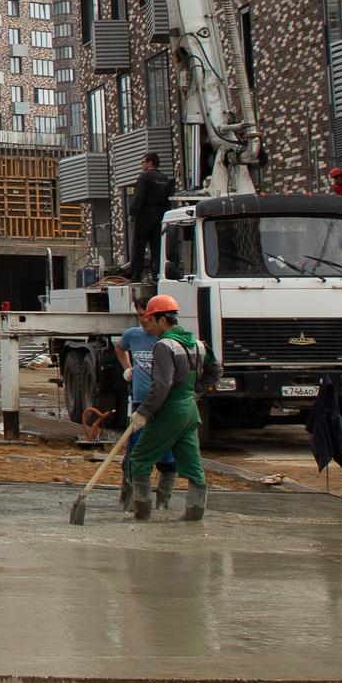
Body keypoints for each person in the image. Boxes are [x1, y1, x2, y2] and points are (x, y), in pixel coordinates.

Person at [120, 293, 206, 522]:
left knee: (138, 459)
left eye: (152, 320)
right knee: (192, 465)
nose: (150, 325)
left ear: (162, 320)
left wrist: (143, 413)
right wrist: (193, 392)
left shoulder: (163, 346)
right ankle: (194, 516)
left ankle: (142, 515)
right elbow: (216, 372)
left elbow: (161, 385)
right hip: (190, 410)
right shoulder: (197, 343)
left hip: (168, 411)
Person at [113, 299, 181, 508]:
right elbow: (119, 346)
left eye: (148, 315)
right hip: (139, 404)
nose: (144, 320)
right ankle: (132, 500)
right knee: (134, 453)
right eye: (140, 315)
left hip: (163, 406)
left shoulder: (168, 342)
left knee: (167, 455)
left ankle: (162, 502)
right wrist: (128, 367)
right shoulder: (132, 335)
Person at [125, 154, 170, 284]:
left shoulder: (145, 177)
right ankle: (156, 274)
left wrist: (132, 213)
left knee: (139, 246)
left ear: (150, 163)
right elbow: (167, 200)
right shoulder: (165, 179)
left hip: (145, 214)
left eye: (143, 162)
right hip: (160, 215)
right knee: (156, 247)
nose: (142, 165)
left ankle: (136, 277)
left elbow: (139, 196)